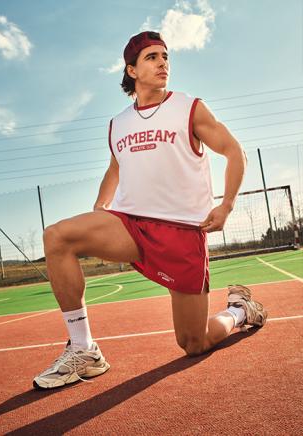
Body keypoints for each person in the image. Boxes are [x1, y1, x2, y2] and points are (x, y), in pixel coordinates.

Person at [32, 31, 267, 390]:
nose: (163, 63)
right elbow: (115, 168)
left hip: (182, 233)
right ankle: (84, 349)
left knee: (194, 343)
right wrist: (101, 207)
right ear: (132, 70)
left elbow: (235, 152)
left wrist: (227, 204)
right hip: (131, 225)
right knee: (57, 236)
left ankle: (238, 310)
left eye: (165, 56)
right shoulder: (118, 124)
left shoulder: (189, 107)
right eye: (152, 58)